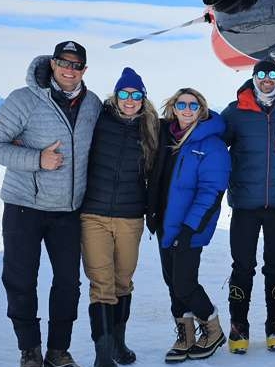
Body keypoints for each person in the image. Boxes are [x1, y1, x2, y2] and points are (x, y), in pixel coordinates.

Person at [0, 41, 101, 367]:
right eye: (64, 62)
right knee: (21, 279)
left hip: (68, 210)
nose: (69, 69)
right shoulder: (24, 99)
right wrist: (37, 159)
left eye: (76, 65)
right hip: (24, 207)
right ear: (52, 64)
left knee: (68, 283)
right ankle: (29, 351)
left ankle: (58, 351)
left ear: (84, 70)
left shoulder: (92, 104)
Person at [220, 58, 275, 353]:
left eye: (273, 75)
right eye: (262, 75)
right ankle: (238, 326)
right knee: (242, 266)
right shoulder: (235, 112)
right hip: (244, 204)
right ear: (254, 78)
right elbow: (215, 148)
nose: (267, 79)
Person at [79, 67, 158, 366]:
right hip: (93, 215)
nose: (129, 100)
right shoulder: (98, 119)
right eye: (124, 94)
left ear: (142, 98)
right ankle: (103, 356)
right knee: (102, 284)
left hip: (130, 216)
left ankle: (118, 345)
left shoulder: (150, 128)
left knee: (123, 282)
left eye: (135, 95)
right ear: (116, 95)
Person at [145, 88, 231, 363]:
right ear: (173, 107)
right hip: (165, 225)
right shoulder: (166, 137)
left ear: (201, 109)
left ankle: (213, 328)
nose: (186, 109)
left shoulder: (211, 144)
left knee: (184, 284)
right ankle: (186, 337)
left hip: (189, 228)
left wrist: (189, 228)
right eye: (181, 104)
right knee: (173, 283)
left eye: (193, 105)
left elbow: (212, 191)